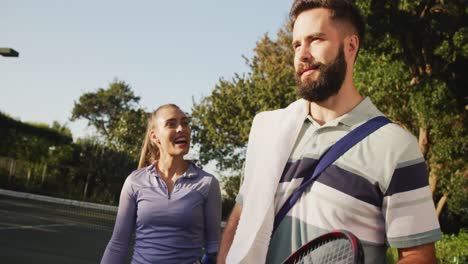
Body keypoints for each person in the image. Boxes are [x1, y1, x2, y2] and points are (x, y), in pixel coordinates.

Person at [217, 1, 441, 263]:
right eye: (297, 45)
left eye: (315, 40)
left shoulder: (396, 146)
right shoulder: (268, 130)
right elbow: (241, 218)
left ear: (350, 46)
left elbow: (418, 256)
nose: (302, 54)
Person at [101, 104, 221, 264]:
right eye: (171, 124)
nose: (181, 128)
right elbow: (118, 244)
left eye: (185, 123)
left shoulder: (208, 183)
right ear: (155, 137)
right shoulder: (135, 181)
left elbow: (214, 247)